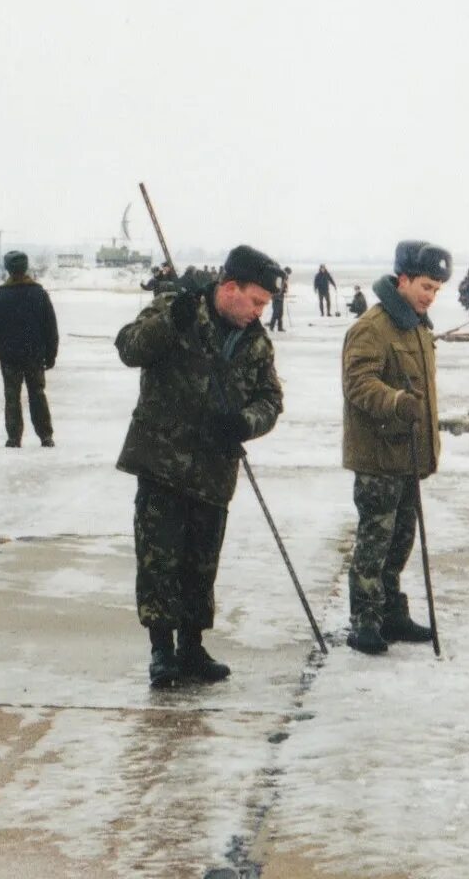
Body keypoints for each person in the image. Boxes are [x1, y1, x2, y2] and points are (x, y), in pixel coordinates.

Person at [114, 245, 285, 688]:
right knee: (158, 560)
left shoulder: (256, 343)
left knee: (200, 564)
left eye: (265, 304)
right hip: (162, 460)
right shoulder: (177, 308)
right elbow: (129, 348)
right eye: (257, 301)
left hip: (214, 467)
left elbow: (270, 400)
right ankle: (161, 652)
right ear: (230, 288)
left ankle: (192, 647)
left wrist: (243, 423)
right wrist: (174, 322)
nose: (260, 312)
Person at [341, 240, 452, 654]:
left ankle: (391, 613)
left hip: (408, 455)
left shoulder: (417, 325)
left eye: (437, 289)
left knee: (401, 538)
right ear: (402, 280)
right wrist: (394, 401)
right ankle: (364, 621)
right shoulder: (373, 327)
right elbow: (359, 384)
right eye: (426, 286)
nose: (431, 295)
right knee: (375, 542)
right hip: (378, 458)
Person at [0, 251, 59, 448]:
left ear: (8, 269)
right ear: (26, 268)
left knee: (12, 397)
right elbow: (51, 328)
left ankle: (14, 438)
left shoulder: (1, 295)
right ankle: (45, 436)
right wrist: (51, 355)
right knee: (38, 395)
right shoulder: (39, 293)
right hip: (34, 356)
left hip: (9, 357)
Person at [268, 266, 291, 332]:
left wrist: (285, 290)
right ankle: (271, 327)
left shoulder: (283, 278)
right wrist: (279, 293)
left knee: (280, 313)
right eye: (288, 274)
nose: (287, 276)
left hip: (280, 297)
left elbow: (282, 287)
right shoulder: (279, 277)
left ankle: (280, 328)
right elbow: (277, 287)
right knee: (276, 312)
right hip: (276, 297)